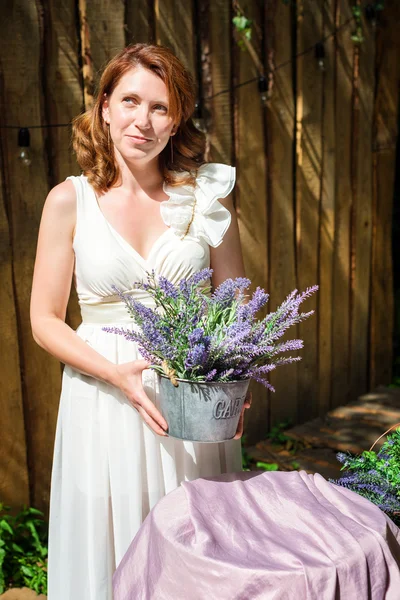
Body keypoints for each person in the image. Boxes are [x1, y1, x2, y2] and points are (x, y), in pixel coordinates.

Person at [30, 43, 251, 600]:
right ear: (104, 106)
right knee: (113, 543)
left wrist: (237, 383)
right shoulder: (68, 201)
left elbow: (236, 303)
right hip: (102, 399)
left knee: (197, 546)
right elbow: (45, 319)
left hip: (191, 400)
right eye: (130, 100)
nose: (142, 120)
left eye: (160, 107)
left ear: (176, 119)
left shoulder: (205, 199)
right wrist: (117, 374)